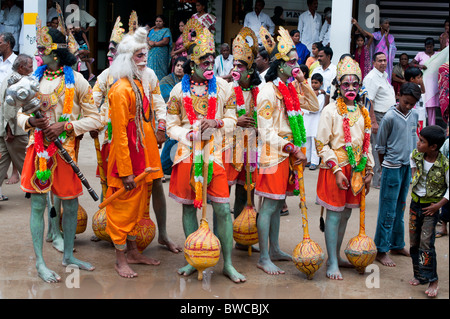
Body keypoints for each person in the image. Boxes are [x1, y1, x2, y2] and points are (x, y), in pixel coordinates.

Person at [17, 23, 102, 283]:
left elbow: (96, 119)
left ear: (58, 52)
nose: (39, 53)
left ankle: (67, 255)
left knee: (71, 202)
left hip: (65, 151)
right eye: (39, 48)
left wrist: (65, 125)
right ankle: (41, 263)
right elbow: (20, 114)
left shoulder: (76, 80)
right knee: (38, 206)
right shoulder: (33, 81)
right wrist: (31, 123)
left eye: (44, 48)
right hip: (38, 150)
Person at [166, 19, 245, 283]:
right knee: (189, 208)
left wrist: (219, 122)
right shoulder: (178, 90)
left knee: (222, 210)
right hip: (187, 155)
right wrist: (187, 134)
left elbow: (235, 118)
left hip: (216, 156)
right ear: (192, 62)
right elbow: (170, 126)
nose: (209, 63)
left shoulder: (225, 88)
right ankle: (191, 259)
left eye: (212, 58)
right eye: (204, 59)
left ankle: (228, 264)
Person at [105, 27, 181, 279]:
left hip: (144, 152)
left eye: (144, 54)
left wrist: (161, 126)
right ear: (127, 59)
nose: (143, 58)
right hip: (127, 158)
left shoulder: (141, 80)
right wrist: (125, 171)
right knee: (123, 207)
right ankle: (119, 260)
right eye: (138, 55)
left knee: (138, 205)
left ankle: (134, 251)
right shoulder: (119, 90)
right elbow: (121, 133)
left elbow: (155, 105)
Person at [256, 26, 319, 275]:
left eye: (297, 61)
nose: (296, 65)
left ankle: (274, 249)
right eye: (292, 61)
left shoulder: (292, 88)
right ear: (280, 65)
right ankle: (263, 256)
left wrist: (303, 82)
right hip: (275, 153)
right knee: (270, 206)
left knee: (277, 203)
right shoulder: (267, 92)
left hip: (288, 155)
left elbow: (313, 105)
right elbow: (266, 131)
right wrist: (292, 148)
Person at [315, 56, 375, 280]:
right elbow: (321, 144)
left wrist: (368, 171)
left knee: (347, 214)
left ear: (360, 86)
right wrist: (337, 170)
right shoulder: (330, 111)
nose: (350, 88)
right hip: (335, 169)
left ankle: (336, 255)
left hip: (356, 170)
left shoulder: (363, 112)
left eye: (354, 84)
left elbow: (366, 144)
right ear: (338, 87)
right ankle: (331, 261)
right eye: (346, 84)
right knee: (334, 215)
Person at [374, 82, 421, 267]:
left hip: (406, 167)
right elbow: (380, 146)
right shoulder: (389, 117)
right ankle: (381, 249)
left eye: (412, 103)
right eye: (406, 102)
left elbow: (413, 137)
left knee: (401, 207)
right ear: (399, 96)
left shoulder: (414, 114)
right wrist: (385, 165)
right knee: (387, 210)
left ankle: (397, 244)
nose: (408, 106)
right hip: (391, 168)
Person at [225, 27, 261, 244]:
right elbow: (218, 118)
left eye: (240, 66)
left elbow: (269, 120)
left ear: (250, 69)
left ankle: (242, 236)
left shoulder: (261, 91)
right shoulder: (227, 89)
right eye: (234, 65)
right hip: (230, 146)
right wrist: (234, 122)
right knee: (222, 192)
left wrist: (258, 128)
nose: (236, 69)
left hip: (253, 149)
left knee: (246, 193)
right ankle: (224, 236)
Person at [409, 125, 448, 298]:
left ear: (433, 147)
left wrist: (437, 206)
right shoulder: (416, 155)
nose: (418, 144)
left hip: (431, 209)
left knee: (427, 243)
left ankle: (433, 279)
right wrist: (415, 176)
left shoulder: (445, 164)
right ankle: (419, 275)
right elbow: (413, 167)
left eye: (422, 141)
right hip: (415, 204)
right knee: (414, 242)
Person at [0, 54, 32, 201]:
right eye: (30, 67)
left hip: (7, 128)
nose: (32, 70)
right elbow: (8, 107)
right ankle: (35, 190)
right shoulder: (14, 81)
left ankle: (33, 189)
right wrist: (10, 130)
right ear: (21, 67)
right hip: (13, 130)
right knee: (25, 163)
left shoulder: (11, 78)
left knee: (3, 161)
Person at [363, 52, 397, 189]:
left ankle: (381, 178)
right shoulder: (371, 77)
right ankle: (377, 181)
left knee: (385, 147)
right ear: (374, 63)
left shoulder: (383, 75)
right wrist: (373, 121)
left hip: (387, 115)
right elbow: (369, 100)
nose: (383, 63)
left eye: (384, 60)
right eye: (380, 61)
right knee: (378, 148)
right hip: (378, 116)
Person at [160, 56, 186, 177]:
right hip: (169, 116)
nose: (179, 68)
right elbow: (169, 100)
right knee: (173, 137)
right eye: (177, 65)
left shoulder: (188, 81)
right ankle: (163, 167)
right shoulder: (166, 81)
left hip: (185, 116)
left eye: (182, 66)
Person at [410, 38, 440, 126]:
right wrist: (419, 66)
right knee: (421, 106)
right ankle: (421, 127)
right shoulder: (420, 54)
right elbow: (411, 64)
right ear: (425, 47)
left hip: (433, 83)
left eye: (430, 47)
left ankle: (431, 127)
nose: (429, 49)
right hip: (423, 82)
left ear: (433, 46)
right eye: (427, 47)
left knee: (431, 107)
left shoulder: (438, 55)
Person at [304, 72, 325, 171]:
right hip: (307, 120)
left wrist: (308, 108)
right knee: (307, 141)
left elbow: (317, 108)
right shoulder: (309, 93)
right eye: (312, 82)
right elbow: (303, 105)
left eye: (316, 83)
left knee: (314, 142)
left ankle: (314, 162)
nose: (313, 85)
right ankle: (307, 160)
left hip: (316, 121)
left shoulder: (321, 96)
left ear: (321, 83)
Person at [147, 15, 172, 81]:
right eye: (157, 21)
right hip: (151, 53)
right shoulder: (152, 30)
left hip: (161, 55)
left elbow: (165, 41)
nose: (158, 23)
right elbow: (148, 39)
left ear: (163, 22)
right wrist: (149, 43)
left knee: (161, 70)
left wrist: (154, 44)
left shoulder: (166, 30)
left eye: (160, 21)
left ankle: (160, 85)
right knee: (150, 68)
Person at [371, 18, 396, 83]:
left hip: (386, 62)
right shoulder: (376, 35)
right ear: (380, 25)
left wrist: (386, 37)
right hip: (377, 61)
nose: (388, 25)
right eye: (386, 23)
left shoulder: (390, 37)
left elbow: (391, 49)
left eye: (388, 23)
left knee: (385, 80)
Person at [405, 67, 426, 136]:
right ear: (412, 79)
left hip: (419, 113)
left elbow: (423, 91)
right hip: (414, 114)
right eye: (418, 78)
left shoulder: (417, 86)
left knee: (419, 132)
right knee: (414, 133)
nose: (420, 79)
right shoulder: (409, 88)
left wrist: (421, 82)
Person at [437, 132, 449, 238]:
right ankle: (443, 227)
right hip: (447, 177)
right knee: (446, 203)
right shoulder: (447, 143)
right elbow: (441, 156)